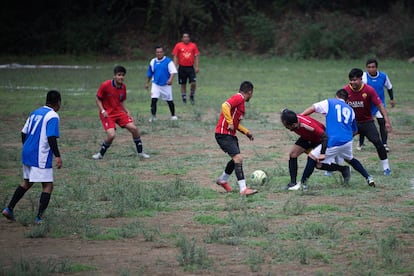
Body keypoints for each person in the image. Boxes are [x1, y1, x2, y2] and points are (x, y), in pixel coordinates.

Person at [2, 90, 63, 224]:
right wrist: (57, 156)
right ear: (58, 102)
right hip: (39, 156)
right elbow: (51, 137)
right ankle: (39, 218)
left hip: (27, 152)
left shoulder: (35, 112)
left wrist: (28, 147)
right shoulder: (53, 116)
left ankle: (9, 209)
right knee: (48, 186)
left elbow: (23, 133)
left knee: (27, 182)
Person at [299, 89, 375, 191]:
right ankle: (368, 177)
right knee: (350, 159)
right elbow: (355, 130)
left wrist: (300, 117)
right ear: (347, 100)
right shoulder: (350, 110)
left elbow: (313, 108)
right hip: (347, 141)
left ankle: (303, 184)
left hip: (333, 141)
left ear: (336, 96)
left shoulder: (330, 102)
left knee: (312, 158)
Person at [92, 65, 150, 160]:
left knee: (134, 129)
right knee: (111, 135)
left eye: (123, 75)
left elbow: (121, 101)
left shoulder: (123, 87)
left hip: (119, 112)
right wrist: (103, 111)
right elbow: (98, 100)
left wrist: (126, 111)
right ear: (114, 76)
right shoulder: (105, 85)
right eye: (119, 75)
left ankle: (140, 153)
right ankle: (100, 154)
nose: (121, 77)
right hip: (108, 114)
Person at [344, 68, 392, 176]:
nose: (352, 82)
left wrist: (387, 121)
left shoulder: (369, 90)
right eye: (351, 80)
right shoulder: (345, 90)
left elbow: (380, 106)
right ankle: (334, 167)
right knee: (340, 144)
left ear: (361, 79)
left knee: (378, 143)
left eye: (355, 80)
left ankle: (386, 168)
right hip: (352, 123)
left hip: (367, 122)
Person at [215, 81, 258, 196]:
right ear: (249, 92)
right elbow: (225, 105)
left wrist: (246, 132)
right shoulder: (239, 97)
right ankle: (243, 190)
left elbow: (235, 123)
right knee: (238, 158)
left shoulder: (241, 102)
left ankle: (223, 180)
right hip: (223, 134)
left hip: (230, 135)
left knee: (236, 159)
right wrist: (229, 122)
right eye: (252, 93)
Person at [280, 109, 327, 190]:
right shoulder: (294, 121)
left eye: (287, 126)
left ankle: (343, 169)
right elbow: (285, 111)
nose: (286, 128)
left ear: (294, 124)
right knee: (293, 154)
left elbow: (325, 136)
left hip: (319, 140)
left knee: (318, 165)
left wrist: (322, 153)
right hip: (307, 138)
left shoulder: (308, 125)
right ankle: (293, 183)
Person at [358, 58, 395, 152]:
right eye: (369, 67)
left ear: (376, 68)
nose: (371, 69)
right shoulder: (364, 76)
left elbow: (389, 87)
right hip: (367, 105)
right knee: (364, 123)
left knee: (382, 122)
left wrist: (392, 99)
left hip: (379, 104)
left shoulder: (383, 76)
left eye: (373, 67)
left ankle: (384, 144)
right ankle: (361, 143)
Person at [145, 45, 178, 122]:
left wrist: (170, 79)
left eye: (160, 52)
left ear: (163, 53)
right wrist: (147, 83)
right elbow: (150, 73)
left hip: (166, 85)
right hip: (156, 84)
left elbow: (173, 72)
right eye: (157, 52)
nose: (159, 53)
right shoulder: (153, 61)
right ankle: (153, 116)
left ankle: (173, 115)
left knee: (169, 100)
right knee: (154, 100)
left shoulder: (168, 61)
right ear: (155, 53)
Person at [172, 32, 200, 105]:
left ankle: (192, 95)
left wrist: (197, 66)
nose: (186, 38)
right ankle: (184, 97)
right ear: (182, 38)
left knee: (193, 83)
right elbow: (175, 56)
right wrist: (174, 66)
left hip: (190, 67)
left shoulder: (193, 46)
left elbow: (196, 56)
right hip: (182, 67)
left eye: (187, 37)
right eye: (184, 37)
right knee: (183, 83)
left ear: (189, 38)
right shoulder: (178, 45)